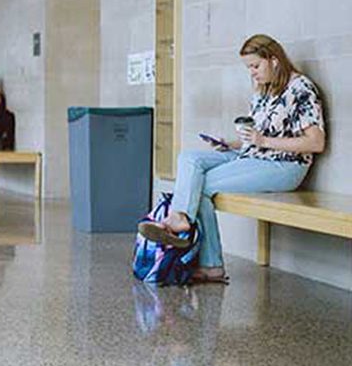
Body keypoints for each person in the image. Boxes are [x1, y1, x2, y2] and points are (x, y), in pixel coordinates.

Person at [138, 34, 326, 283]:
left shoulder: (301, 89)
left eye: (255, 66)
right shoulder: (265, 90)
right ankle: (181, 218)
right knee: (189, 158)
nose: (252, 73)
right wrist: (231, 143)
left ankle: (207, 258)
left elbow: (316, 142)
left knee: (201, 186)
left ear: (274, 60)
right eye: (248, 67)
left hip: (283, 165)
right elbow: (257, 137)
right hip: (253, 155)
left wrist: (264, 142)